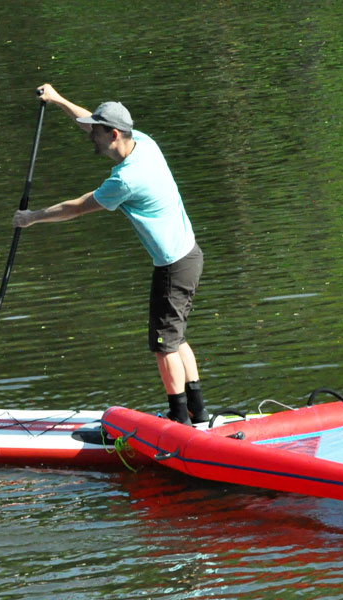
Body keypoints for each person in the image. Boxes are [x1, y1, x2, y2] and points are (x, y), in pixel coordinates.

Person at [13, 84, 208, 425]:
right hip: (190, 256)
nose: (91, 137)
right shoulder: (144, 143)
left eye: (97, 134)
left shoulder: (126, 180)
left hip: (174, 268)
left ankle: (181, 421)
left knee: (163, 346)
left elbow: (76, 208)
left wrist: (32, 218)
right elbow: (89, 123)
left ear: (114, 134)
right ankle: (197, 411)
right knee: (175, 339)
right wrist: (59, 99)